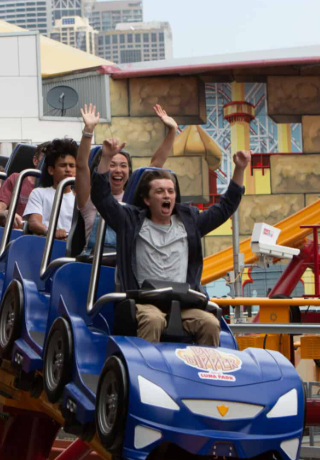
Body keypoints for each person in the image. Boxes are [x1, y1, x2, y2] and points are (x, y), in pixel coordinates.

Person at [91, 143, 249, 347]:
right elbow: (102, 198)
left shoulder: (190, 223)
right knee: (153, 320)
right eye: (159, 191)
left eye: (170, 191)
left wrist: (240, 169)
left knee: (210, 323)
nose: (166, 196)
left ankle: (202, 368)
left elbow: (225, 208)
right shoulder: (130, 222)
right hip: (144, 302)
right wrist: (106, 157)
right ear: (147, 199)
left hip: (183, 303)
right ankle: (146, 367)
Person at [75, 103, 175, 254]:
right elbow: (81, 165)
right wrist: (88, 130)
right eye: (112, 165)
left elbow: (155, 165)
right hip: (94, 262)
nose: (118, 170)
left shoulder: (132, 198)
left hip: (125, 262)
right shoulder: (89, 199)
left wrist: (172, 131)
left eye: (123, 165)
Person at [23, 138, 78, 239]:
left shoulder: (79, 199)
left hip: (72, 246)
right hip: (46, 244)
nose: (68, 169)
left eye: (72, 166)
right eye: (63, 165)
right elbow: (33, 222)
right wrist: (51, 232)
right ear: (51, 170)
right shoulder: (39, 193)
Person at [0, 142, 47, 229]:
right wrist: (7, 213)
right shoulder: (16, 179)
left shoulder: (58, 189)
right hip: (16, 233)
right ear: (35, 161)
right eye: (44, 160)